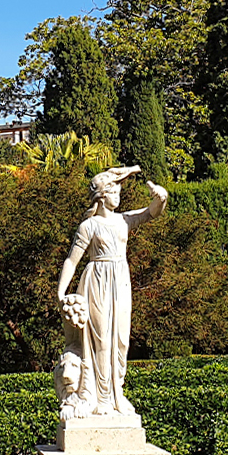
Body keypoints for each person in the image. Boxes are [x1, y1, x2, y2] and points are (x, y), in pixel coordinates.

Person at [55, 166, 167, 417]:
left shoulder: (123, 221)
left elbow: (151, 213)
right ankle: (102, 399)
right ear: (102, 196)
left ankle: (118, 394)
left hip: (120, 281)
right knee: (101, 340)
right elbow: (72, 261)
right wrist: (61, 294)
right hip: (97, 281)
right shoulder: (89, 226)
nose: (119, 195)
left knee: (121, 340)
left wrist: (161, 198)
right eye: (114, 190)